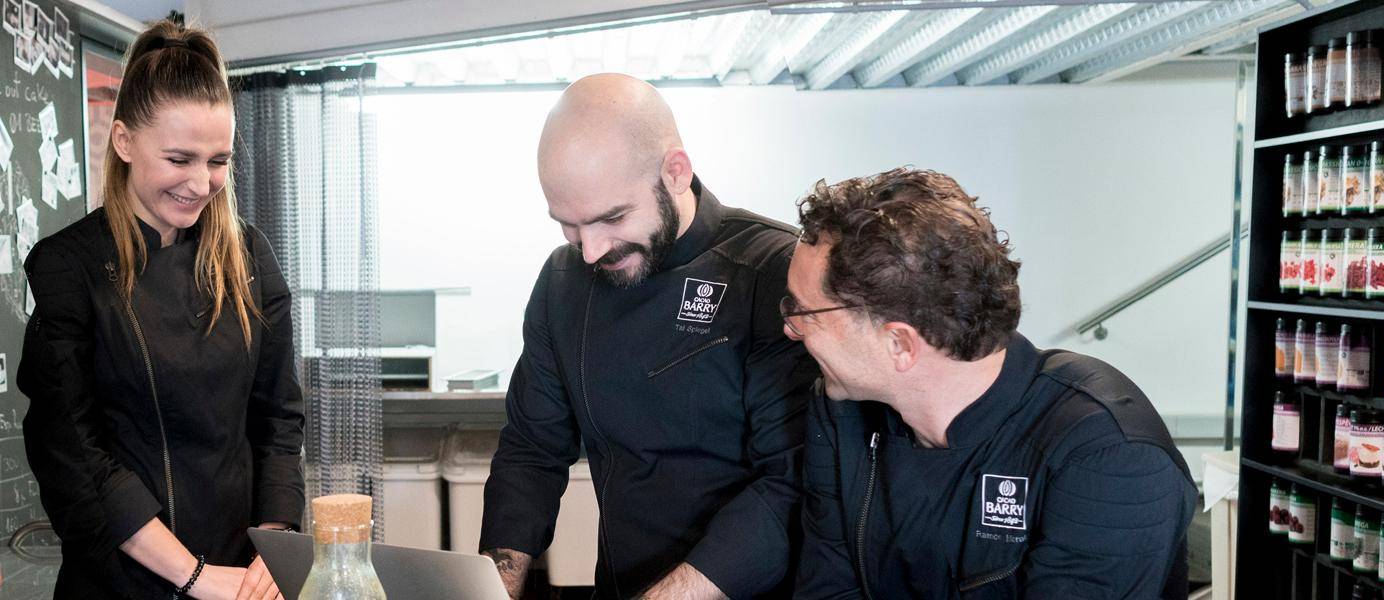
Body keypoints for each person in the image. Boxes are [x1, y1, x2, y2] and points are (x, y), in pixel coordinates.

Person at [480, 73, 817, 600]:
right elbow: (531, 451)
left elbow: (789, 484)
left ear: (675, 172)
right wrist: (496, 588)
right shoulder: (563, 282)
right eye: (568, 225)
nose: (591, 250)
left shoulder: (774, 271)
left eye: (611, 218)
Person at [786, 168, 1196, 598]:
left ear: (899, 343)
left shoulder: (1109, 456)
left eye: (802, 313)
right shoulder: (842, 408)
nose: (790, 330)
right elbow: (828, 587)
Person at [18, 20, 304, 600]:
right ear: (124, 141)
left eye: (218, 160)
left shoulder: (249, 256)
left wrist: (273, 550)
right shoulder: (66, 268)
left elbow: (277, 422)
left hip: (243, 576)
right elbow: (76, 454)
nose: (201, 184)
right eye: (180, 159)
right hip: (123, 580)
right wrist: (193, 577)